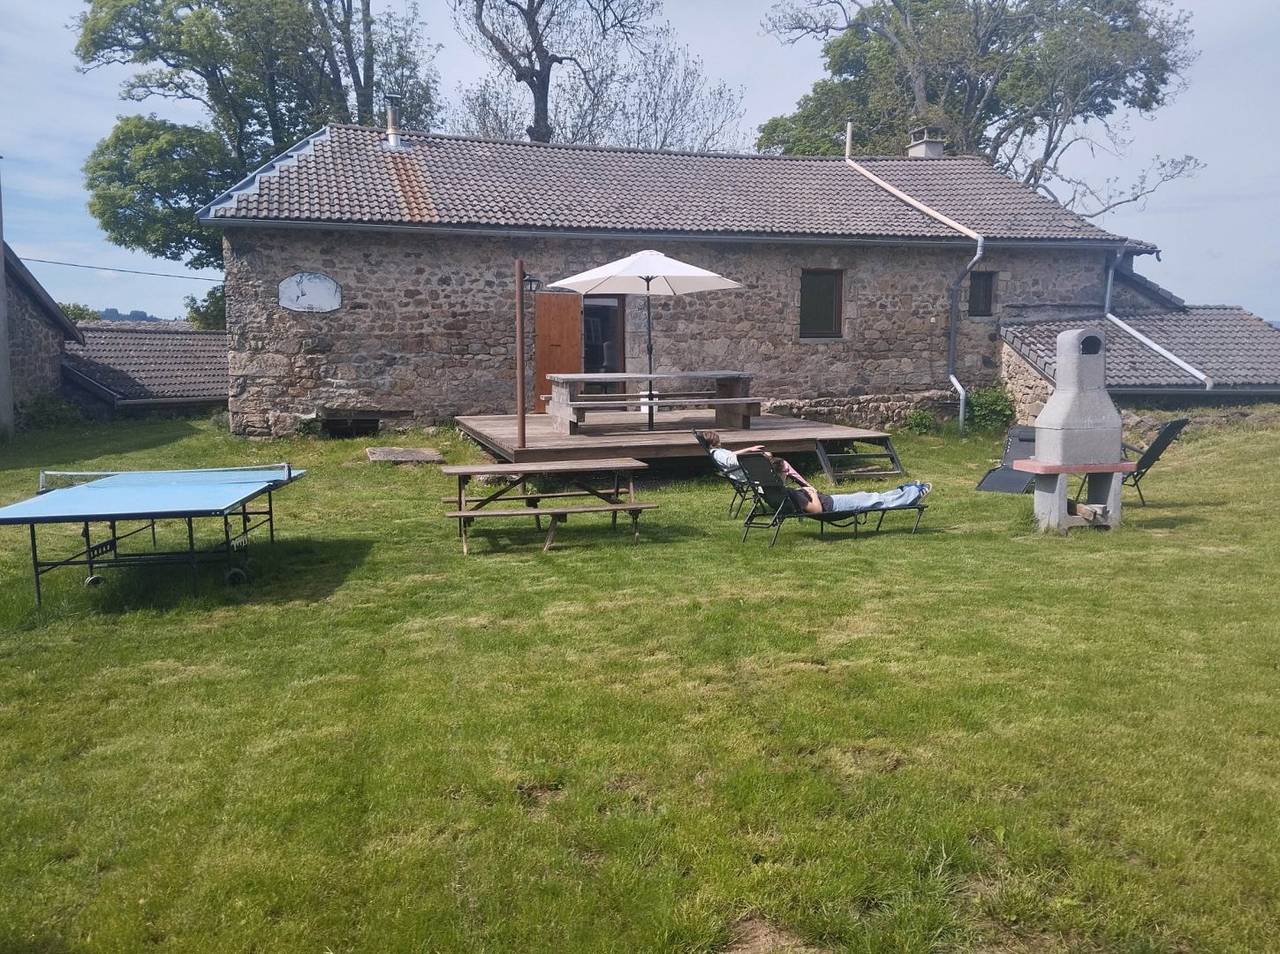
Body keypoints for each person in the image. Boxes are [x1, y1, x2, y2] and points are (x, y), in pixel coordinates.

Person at [773, 457, 931, 514]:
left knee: (873, 497)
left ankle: (904, 491)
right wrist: (811, 492)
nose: (788, 473)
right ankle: (913, 494)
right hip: (833, 505)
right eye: (786, 471)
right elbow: (817, 510)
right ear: (782, 474)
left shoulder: (778, 491)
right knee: (875, 500)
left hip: (833, 501)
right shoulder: (792, 494)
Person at [702, 430, 806, 484]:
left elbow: (732, 454)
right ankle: (784, 489)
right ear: (713, 442)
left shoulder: (718, 452)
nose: (720, 441)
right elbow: (730, 461)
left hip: (746, 471)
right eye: (717, 440)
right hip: (748, 473)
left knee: (777, 461)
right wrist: (756, 458)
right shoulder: (717, 453)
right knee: (783, 464)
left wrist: (750, 449)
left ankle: (791, 486)